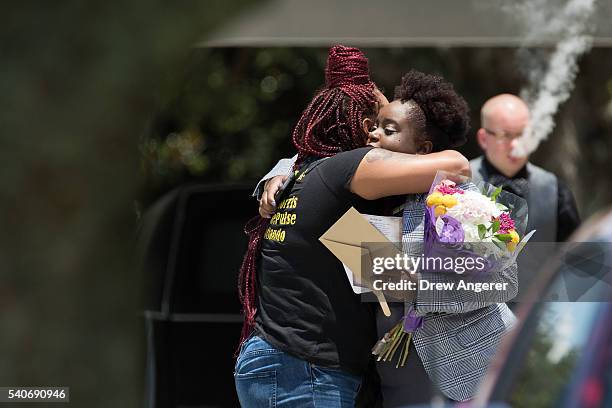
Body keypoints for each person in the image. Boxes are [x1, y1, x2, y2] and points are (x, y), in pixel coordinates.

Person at [252, 70, 519, 405]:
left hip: (458, 372)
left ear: (423, 149)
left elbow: (503, 280)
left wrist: (420, 293)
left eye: (387, 129)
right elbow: (320, 164)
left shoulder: (457, 198)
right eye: (372, 124)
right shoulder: (362, 198)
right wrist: (282, 171)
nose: (373, 135)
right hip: (390, 381)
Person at [472, 93, 580, 243]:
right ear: (483, 139)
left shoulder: (555, 190)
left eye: (523, 135)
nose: (516, 145)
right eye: (506, 135)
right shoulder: (460, 184)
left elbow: (576, 258)